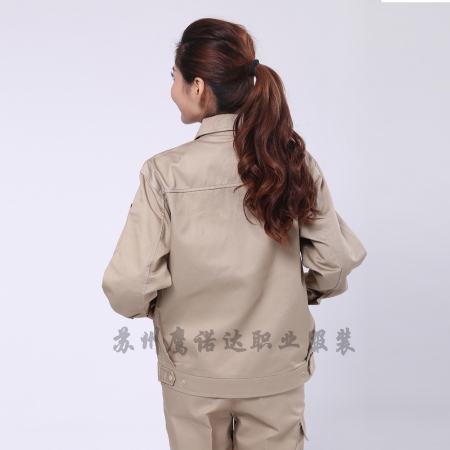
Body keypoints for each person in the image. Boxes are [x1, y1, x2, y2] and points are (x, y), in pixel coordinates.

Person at [101, 17, 367, 450]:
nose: (172, 89)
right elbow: (333, 264)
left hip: (192, 371)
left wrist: (153, 307)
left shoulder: (164, 173)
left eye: (174, 77)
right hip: (276, 366)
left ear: (198, 86)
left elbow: (128, 285)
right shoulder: (292, 162)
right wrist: (295, 293)